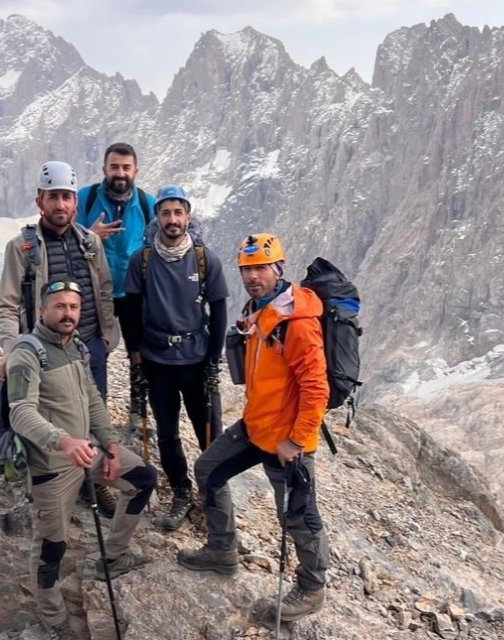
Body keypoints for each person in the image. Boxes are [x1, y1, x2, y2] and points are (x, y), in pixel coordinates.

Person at [176, 233, 331, 623]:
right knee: (208, 471)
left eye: (260, 268)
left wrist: (296, 440)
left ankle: (312, 588)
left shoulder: (297, 323)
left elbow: (317, 388)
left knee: (298, 514)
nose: (252, 276)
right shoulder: (263, 311)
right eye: (246, 269)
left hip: (286, 439)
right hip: (256, 427)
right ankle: (222, 550)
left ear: (278, 268)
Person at [7, 280, 158, 639]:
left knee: (142, 479)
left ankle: (113, 556)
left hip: (86, 454)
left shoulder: (74, 346)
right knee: (51, 548)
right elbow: (20, 413)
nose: (68, 314)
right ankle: (54, 619)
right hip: (52, 467)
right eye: (59, 306)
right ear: (42, 311)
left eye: (73, 307)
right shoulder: (28, 353)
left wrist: (110, 443)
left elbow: (92, 398)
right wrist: (63, 441)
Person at [122, 185, 228, 531]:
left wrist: (213, 359)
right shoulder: (143, 260)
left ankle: (214, 496)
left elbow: (219, 308)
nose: (172, 220)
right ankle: (181, 492)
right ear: (158, 218)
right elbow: (131, 310)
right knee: (167, 434)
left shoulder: (204, 258)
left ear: (188, 216)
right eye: (166, 213)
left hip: (196, 361)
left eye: (178, 213)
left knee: (208, 435)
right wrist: (135, 354)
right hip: (157, 361)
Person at [0, 160, 119, 398]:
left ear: (75, 202)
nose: (60, 204)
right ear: (40, 201)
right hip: (46, 356)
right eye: (53, 196)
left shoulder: (90, 243)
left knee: (96, 422)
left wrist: (105, 341)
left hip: (92, 349)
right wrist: (11, 348)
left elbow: (104, 290)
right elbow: (7, 303)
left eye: (66, 196)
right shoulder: (22, 247)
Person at [76, 143, 156, 425]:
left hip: (135, 291)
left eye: (125, 168)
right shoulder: (85, 200)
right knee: (98, 348)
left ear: (136, 171)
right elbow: (64, 239)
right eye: (114, 167)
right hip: (97, 291)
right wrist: (90, 235)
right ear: (104, 170)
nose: (120, 173)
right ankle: (98, 413)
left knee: (138, 349)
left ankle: (139, 410)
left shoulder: (147, 204)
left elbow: (162, 242)